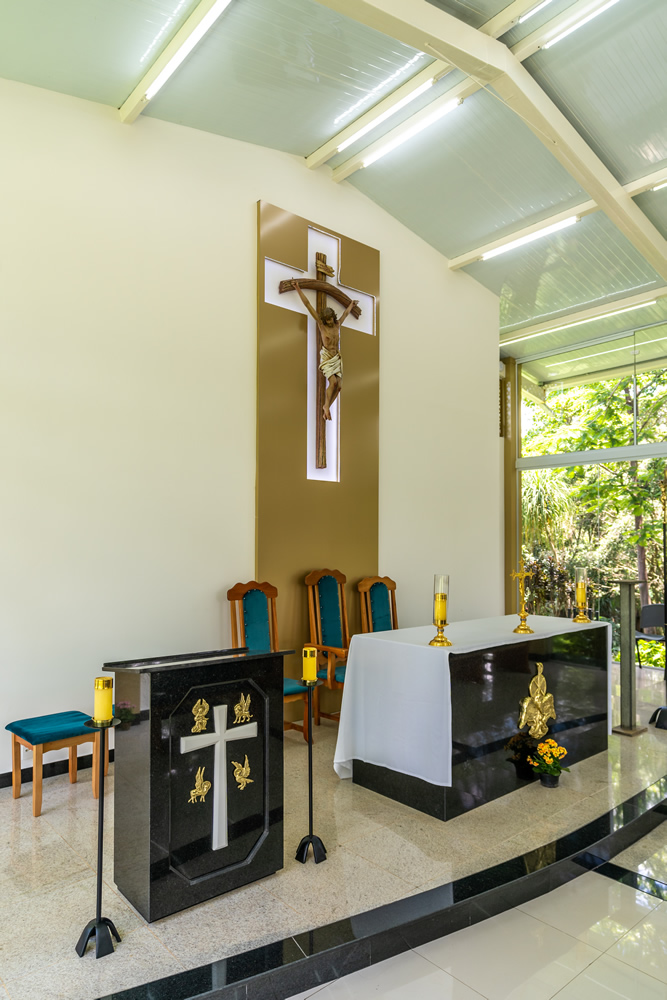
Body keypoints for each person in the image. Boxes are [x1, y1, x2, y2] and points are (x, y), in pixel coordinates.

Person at [289, 281, 359, 420]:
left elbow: (345, 313)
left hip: (336, 357)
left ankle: (327, 407)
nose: (329, 322)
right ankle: (326, 406)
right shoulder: (322, 325)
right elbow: (308, 304)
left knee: (339, 387)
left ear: (333, 317)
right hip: (327, 357)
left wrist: (351, 305)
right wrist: (297, 287)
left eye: (331, 319)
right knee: (333, 382)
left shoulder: (337, 324)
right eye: (327, 321)